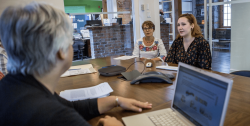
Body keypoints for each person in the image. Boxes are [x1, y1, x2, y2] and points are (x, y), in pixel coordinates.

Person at [0, 2, 152, 126]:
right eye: (71, 41)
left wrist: (116, 100)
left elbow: (71, 107)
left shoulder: (15, 87)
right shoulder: (52, 115)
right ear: (60, 50)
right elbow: (64, 113)